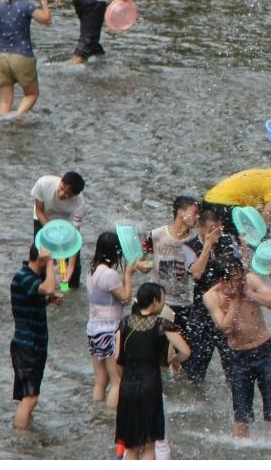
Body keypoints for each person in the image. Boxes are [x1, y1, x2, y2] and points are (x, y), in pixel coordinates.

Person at [204, 258, 271, 440]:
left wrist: (249, 293)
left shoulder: (250, 281)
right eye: (236, 279)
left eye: (242, 276)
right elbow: (225, 327)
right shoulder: (211, 297)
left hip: (265, 351)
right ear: (223, 281)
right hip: (238, 357)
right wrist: (235, 301)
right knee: (241, 416)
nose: (241, 281)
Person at [116, 282, 189, 460]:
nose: (164, 304)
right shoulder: (162, 325)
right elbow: (186, 351)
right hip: (150, 387)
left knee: (131, 446)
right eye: (162, 300)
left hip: (127, 387)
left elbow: (118, 360)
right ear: (155, 301)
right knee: (149, 446)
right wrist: (174, 361)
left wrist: (125, 380)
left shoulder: (124, 323)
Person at [180, 207, 243, 386]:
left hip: (225, 310)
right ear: (199, 226)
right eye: (210, 229)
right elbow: (197, 273)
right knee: (195, 371)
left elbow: (236, 270)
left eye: (218, 229)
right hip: (201, 312)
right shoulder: (188, 247)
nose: (215, 233)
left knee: (233, 366)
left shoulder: (228, 241)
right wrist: (207, 245)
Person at [10, 244, 65, 429]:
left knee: (25, 397)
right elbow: (50, 287)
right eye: (51, 260)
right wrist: (49, 264)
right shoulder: (24, 276)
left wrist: (49, 301)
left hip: (33, 345)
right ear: (41, 259)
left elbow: (40, 296)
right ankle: (23, 440)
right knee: (31, 399)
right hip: (27, 346)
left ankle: (23, 431)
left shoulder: (32, 278)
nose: (55, 263)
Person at [86, 231, 136, 408]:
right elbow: (125, 298)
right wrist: (129, 276)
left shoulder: (92, 272)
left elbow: (112, 286)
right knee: (117, 380)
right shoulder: (110, 275)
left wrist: (130, 272)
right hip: (109, 329)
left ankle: (96, 412)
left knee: (101, 379)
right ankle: (109, 418)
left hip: (93, 328)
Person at [202, 150, 271, 234]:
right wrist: (265, 239)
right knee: (243, 239)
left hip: (208, 200)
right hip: (226, 205)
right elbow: (266, 216)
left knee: (219, 239)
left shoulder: (260, 173)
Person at [144, 195, 201, 335]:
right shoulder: (156, 235)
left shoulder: (195, 241)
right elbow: (140, 259)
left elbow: (197, 271)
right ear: (181, 212)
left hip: (183, 302)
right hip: (158, 301)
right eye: (195, 212)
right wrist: (145, 264)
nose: (198, 217)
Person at [31, 171, 87, 288]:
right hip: (43, 217)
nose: (62, 194)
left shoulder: (79, 203)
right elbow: (39, 210)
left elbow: (74, 238)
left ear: (74, 195)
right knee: (40, 252)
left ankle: (68, 288)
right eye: (61, 188)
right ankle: (40, 285)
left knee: (72, 263)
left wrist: (70, 269)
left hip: (65, 223)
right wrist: (52, 233)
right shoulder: (43, 183)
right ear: (60, 180)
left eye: (67, 194)